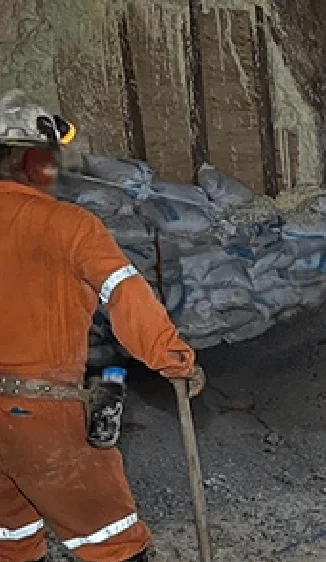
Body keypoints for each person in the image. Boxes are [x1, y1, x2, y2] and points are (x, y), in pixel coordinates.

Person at [0, 91, 205, 562]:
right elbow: (123, 291)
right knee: (112, 543)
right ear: (33, 160)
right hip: (40, 414)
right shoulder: (68, 224)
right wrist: (174, 358)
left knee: (12, 544)